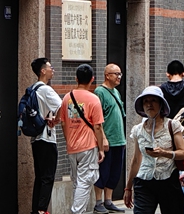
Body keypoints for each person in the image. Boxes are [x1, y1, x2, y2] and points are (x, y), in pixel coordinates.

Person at [125, 86, 184, 214]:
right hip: (144, 181)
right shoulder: (138, 129)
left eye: (153, 100)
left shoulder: (172, 125)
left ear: (161, 104)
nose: (149, 104)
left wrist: (164, 153)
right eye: (145, 101)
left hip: (168, 180)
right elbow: (136, 159)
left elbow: (183, 153)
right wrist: (128, 187)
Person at [58, 64, 108, 214]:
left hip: (72, 146)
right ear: (92, 79)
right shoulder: (93, 99)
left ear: (76, 78)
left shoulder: (67, 97)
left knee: (77, 181)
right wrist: (101, 148)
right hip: (88, 146)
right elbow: (98, 127)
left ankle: (78, 210)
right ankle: (77, 211)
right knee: (85, 181)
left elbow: (63, 122)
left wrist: (69, 140)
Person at [28, 57, 63, 214]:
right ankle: (42, 211)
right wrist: (56, 120)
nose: (52, 69)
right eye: (50, 67)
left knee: (39, 176)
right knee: (48, 177)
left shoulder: (32, 89)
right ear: (43, 71)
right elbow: (63, 105)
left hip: (35, 138)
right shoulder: (46, 90)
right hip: (47, 137)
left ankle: (36, 210)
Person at [95, 63, 127, 213]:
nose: (119, 77)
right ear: (107, 75)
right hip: (107, 140)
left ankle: (109, 200)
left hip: (119, 139)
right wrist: (103, 139)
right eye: (116, 74)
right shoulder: (100, 92)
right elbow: (97, 119)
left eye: (120, 74)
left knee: (115, 172)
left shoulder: (116, 92)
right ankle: (98, 201)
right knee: (103, 171)